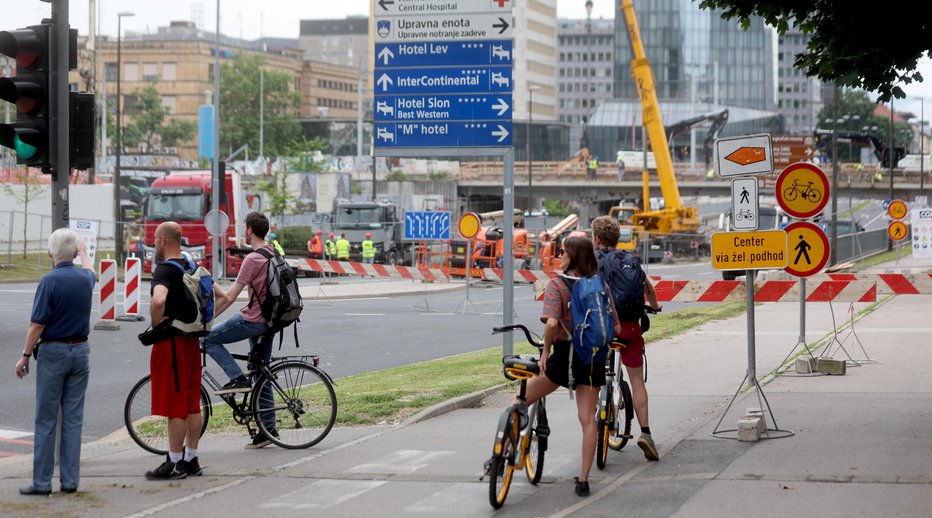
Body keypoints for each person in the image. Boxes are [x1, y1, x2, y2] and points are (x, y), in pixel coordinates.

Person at [519, 236, 621, 496]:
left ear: (573, 256)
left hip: (565, 358)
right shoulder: (600, 286)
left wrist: (545, 352)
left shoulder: (557, 285)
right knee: (588, 420)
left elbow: (552, 324)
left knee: (519, 399)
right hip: (593, 359)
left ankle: (504, 453)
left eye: (562, 251)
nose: (559, 255)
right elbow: (616, 327)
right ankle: (584, 479)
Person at [15, 229, 95, 495]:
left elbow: (36, 325)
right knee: (73, 419)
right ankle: (70, 482)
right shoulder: (85, 279)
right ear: (73, 253)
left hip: (54, 352)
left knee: (46, 419)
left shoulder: (48, 282)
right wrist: (82, 251)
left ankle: (42, 483)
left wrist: (25, 356)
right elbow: (90, 268)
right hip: (81, 351)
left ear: (50, 253)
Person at [146, 222, 226, 479]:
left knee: (174, 406)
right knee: (193, 404)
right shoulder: (193, 267)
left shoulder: (165, 270)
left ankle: (174, 462)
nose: (155, 243)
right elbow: (222, 297)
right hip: (193, 342)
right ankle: (191, 458)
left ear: (162, 241)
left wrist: (157, 323)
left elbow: (159, 300)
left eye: (156, 239)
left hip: (171, 344)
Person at [202, 212, 280, 448]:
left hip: (254, 319)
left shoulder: (253, 258)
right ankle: (268, 428)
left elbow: (229, 296)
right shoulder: (273, 252)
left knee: (208, 339)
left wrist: (207, 321)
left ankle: (235, 378)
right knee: (260, 373)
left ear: (248, 230)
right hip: (271, 321)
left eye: (244, 228)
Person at [590, 215, 663, 461]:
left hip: (603, 329)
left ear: (596, 238)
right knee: (637, 382)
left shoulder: (593, 260)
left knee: (591, 376)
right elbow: (648, 288)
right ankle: (646, 433)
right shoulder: (629, 260)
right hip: (630, 329)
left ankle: (595, 417)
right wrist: (655, 306)